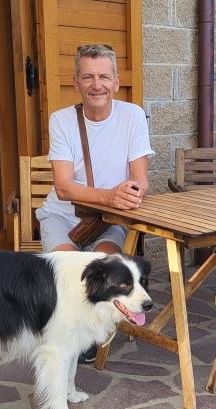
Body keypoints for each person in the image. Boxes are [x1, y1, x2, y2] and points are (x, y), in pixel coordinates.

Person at [36, 43, 154, 255]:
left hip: (110, 219)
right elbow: (63, 188)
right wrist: (109, 197)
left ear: (116, 83)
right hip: (61, 217)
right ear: (76, 83)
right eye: (88, 77)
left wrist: (129, 195)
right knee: (68, 266)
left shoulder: (133, 116)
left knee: (105, 266)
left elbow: (141, 181)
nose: (97, 85)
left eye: (104, 77)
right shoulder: (61, 120)